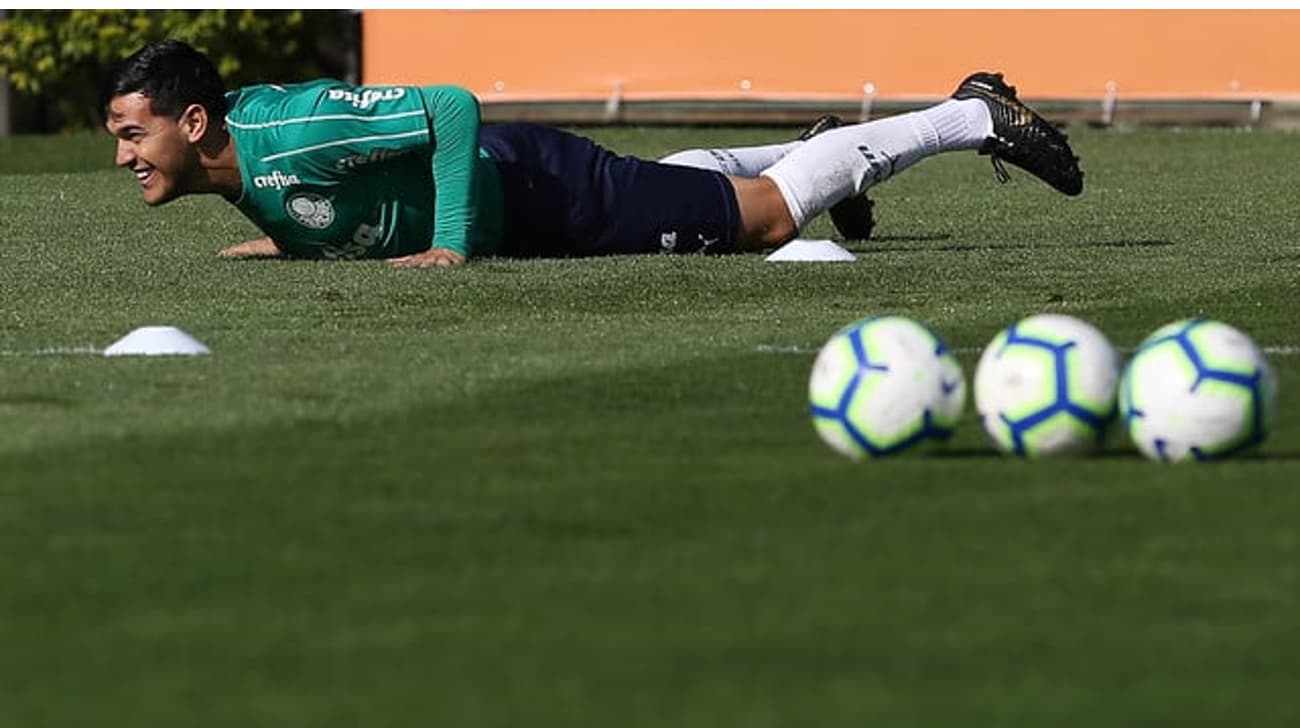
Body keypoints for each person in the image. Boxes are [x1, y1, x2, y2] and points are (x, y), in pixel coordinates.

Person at [102, 39, 1083, 269]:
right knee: (697, 192)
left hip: (541, 195)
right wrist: (298, 239)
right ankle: (822, 153)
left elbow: (447, 107)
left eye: (130, 134)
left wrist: (450, 243)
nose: (122, 157)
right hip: (533, 193)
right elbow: (337, 199)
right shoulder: (245, 165)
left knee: (769, 221)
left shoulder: (295, 129)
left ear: (194, 126)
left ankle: (971, 118)